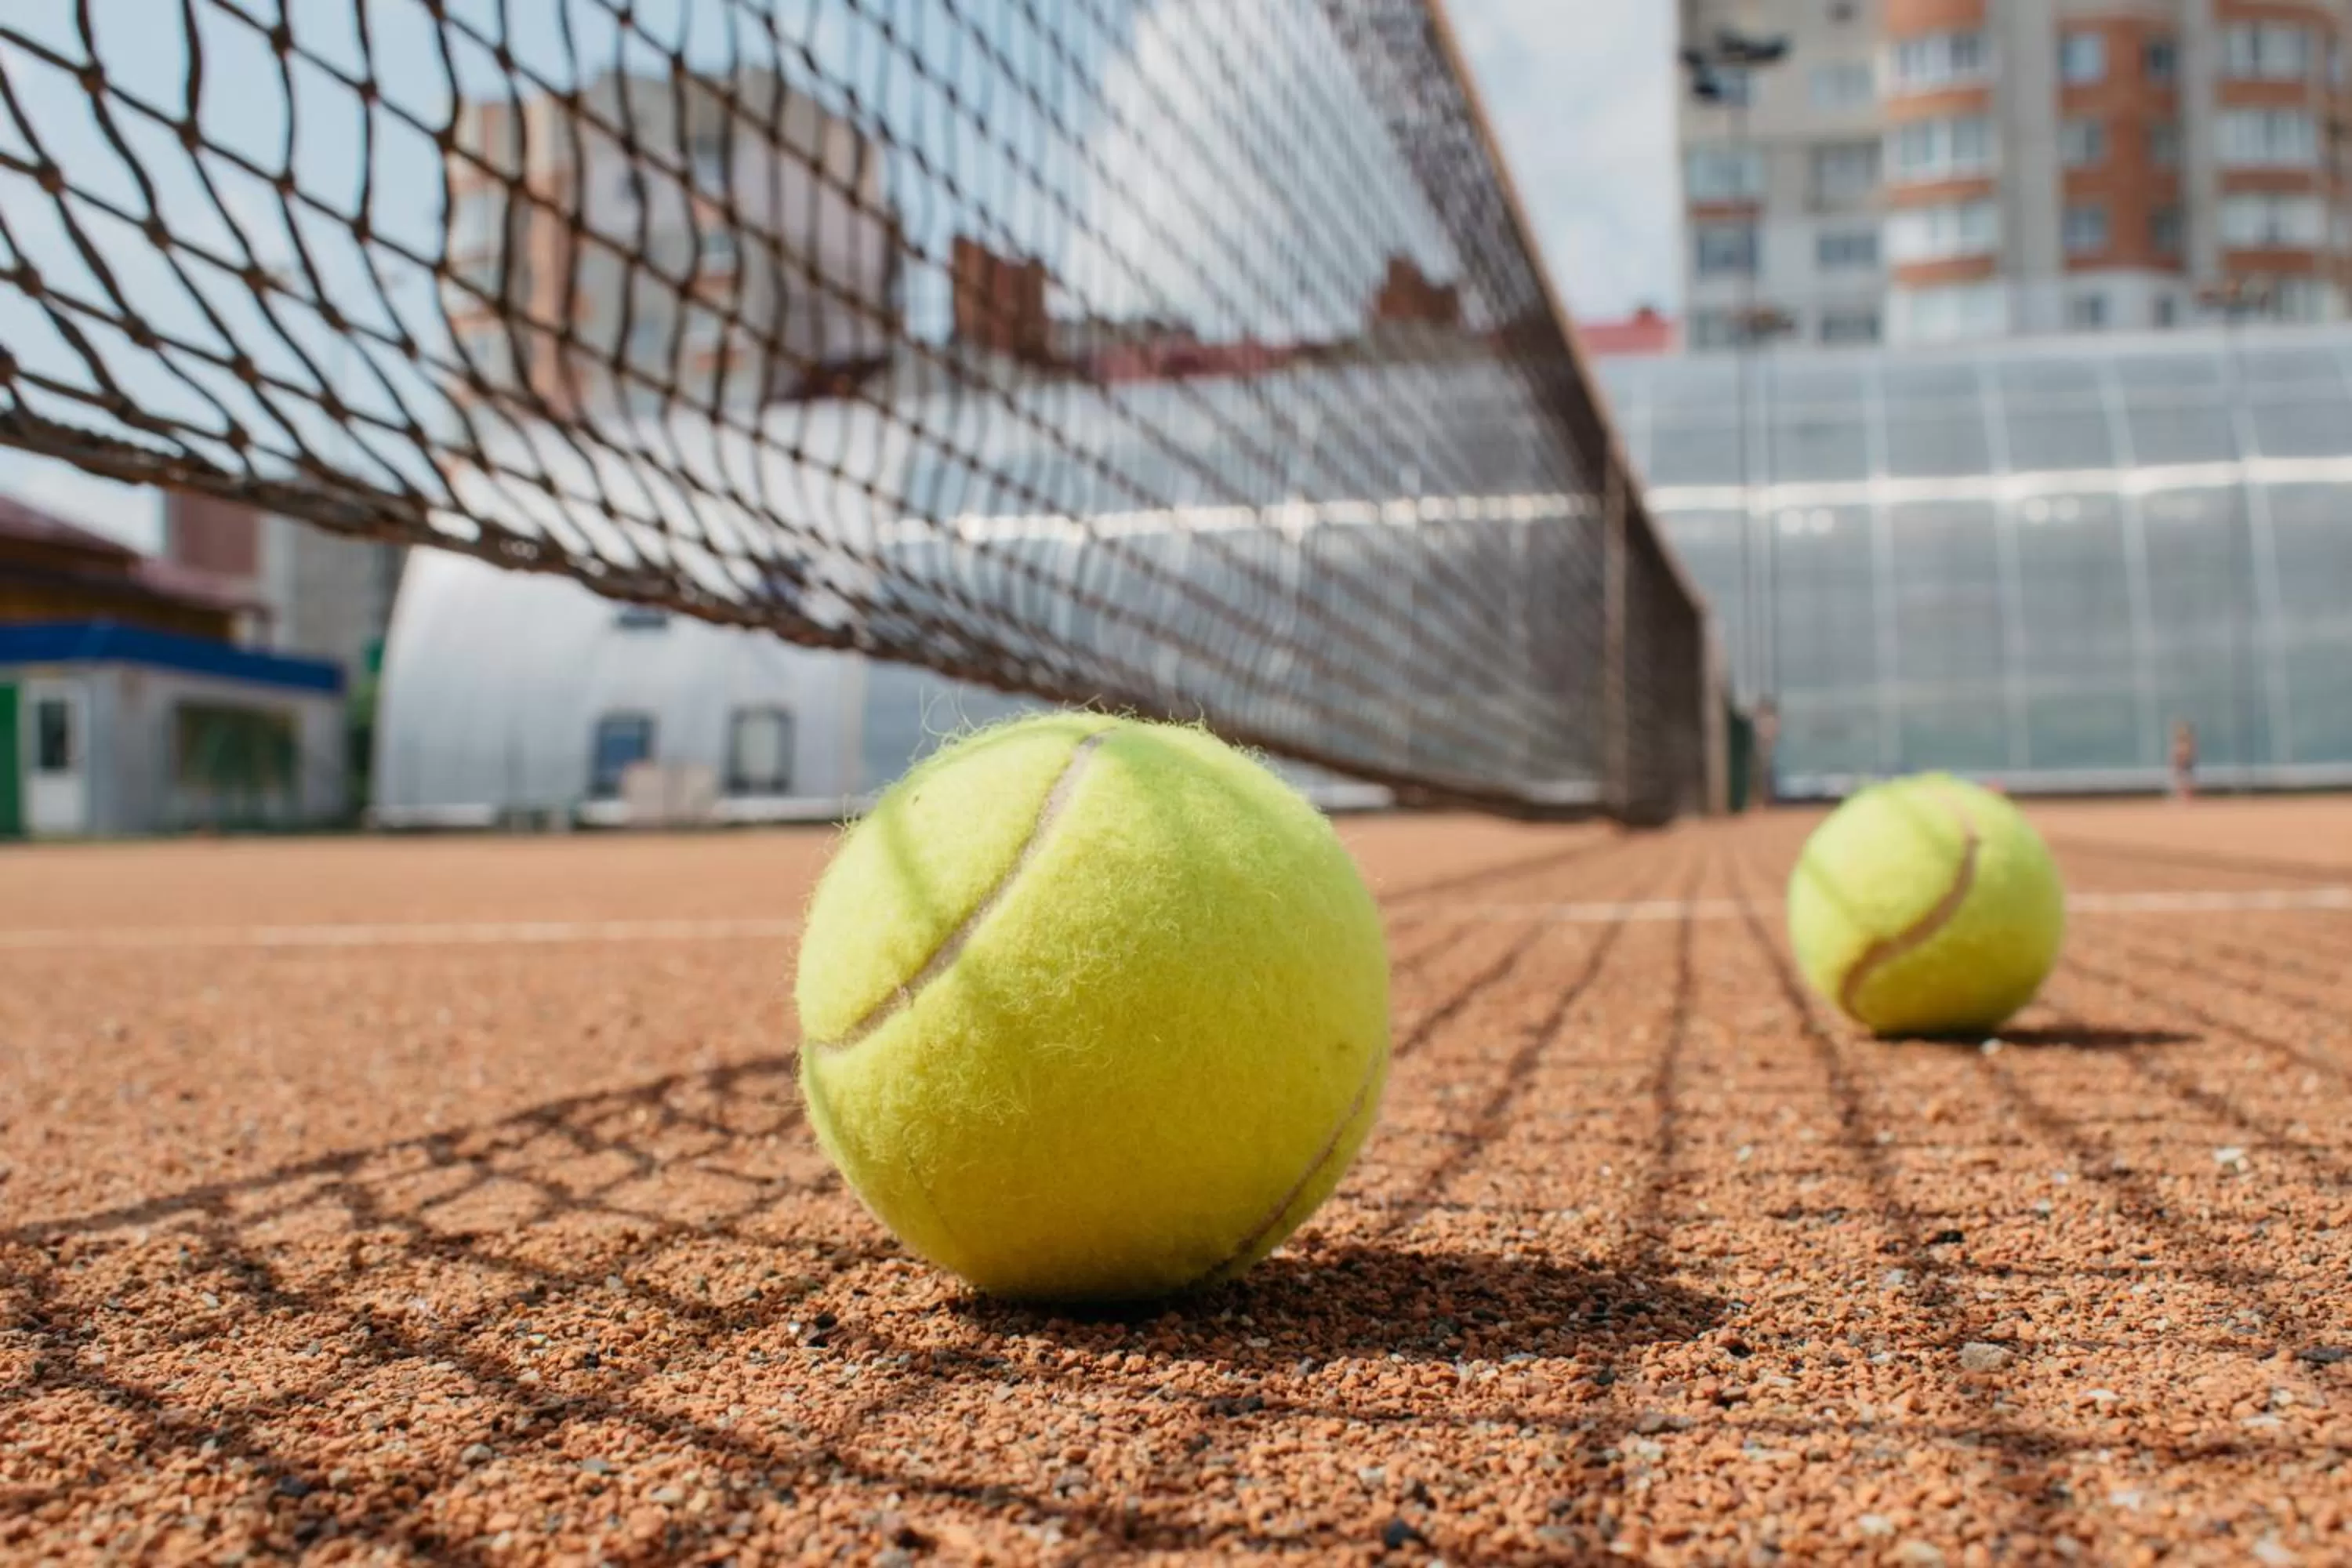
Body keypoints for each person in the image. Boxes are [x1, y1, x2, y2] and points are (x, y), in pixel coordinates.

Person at [2169, 719, 2198, 803]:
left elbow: (2191, 752)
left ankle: (2187, 797)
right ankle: (2181, 796)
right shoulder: (2178, 741)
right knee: (2180, 780)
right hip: (2181, 763)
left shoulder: (2188, 741)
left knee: (2187, 780)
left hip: (2187, 762)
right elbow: (2175, 753)